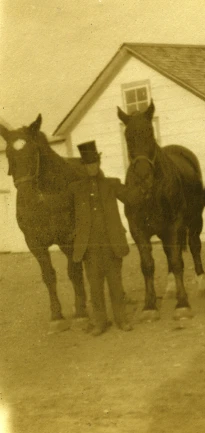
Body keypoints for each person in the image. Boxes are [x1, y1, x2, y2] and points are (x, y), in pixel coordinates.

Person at [69, 141, 138, 335]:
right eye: (88, 164)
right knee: (95, 288)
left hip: (111, 245)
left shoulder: (111, 184)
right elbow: (63, 209)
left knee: (116, 285)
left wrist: (141, 179)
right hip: (90, 249)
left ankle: (121, 319)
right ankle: (100, 322)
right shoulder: (75, 189)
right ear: (83, 166)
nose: (92, 167)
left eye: (94, 163)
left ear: (99, 163)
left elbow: (132, 197)